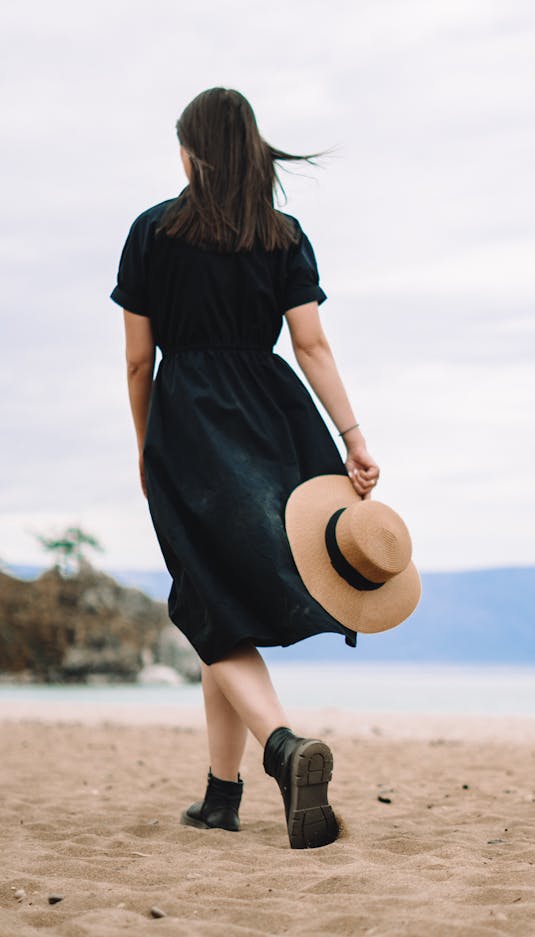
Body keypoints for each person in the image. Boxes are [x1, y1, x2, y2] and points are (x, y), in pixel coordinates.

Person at [110, 87, 380, 849]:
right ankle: (220, 796)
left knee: (206, 599)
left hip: (189, 419)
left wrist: (145, 443)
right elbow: (312, 346)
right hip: (273, 418)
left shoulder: (152, 232)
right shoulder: (283, 235)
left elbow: (138, 360)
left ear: (193, 152)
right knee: (216, 596)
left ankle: (282, 748)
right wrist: (353, 436)